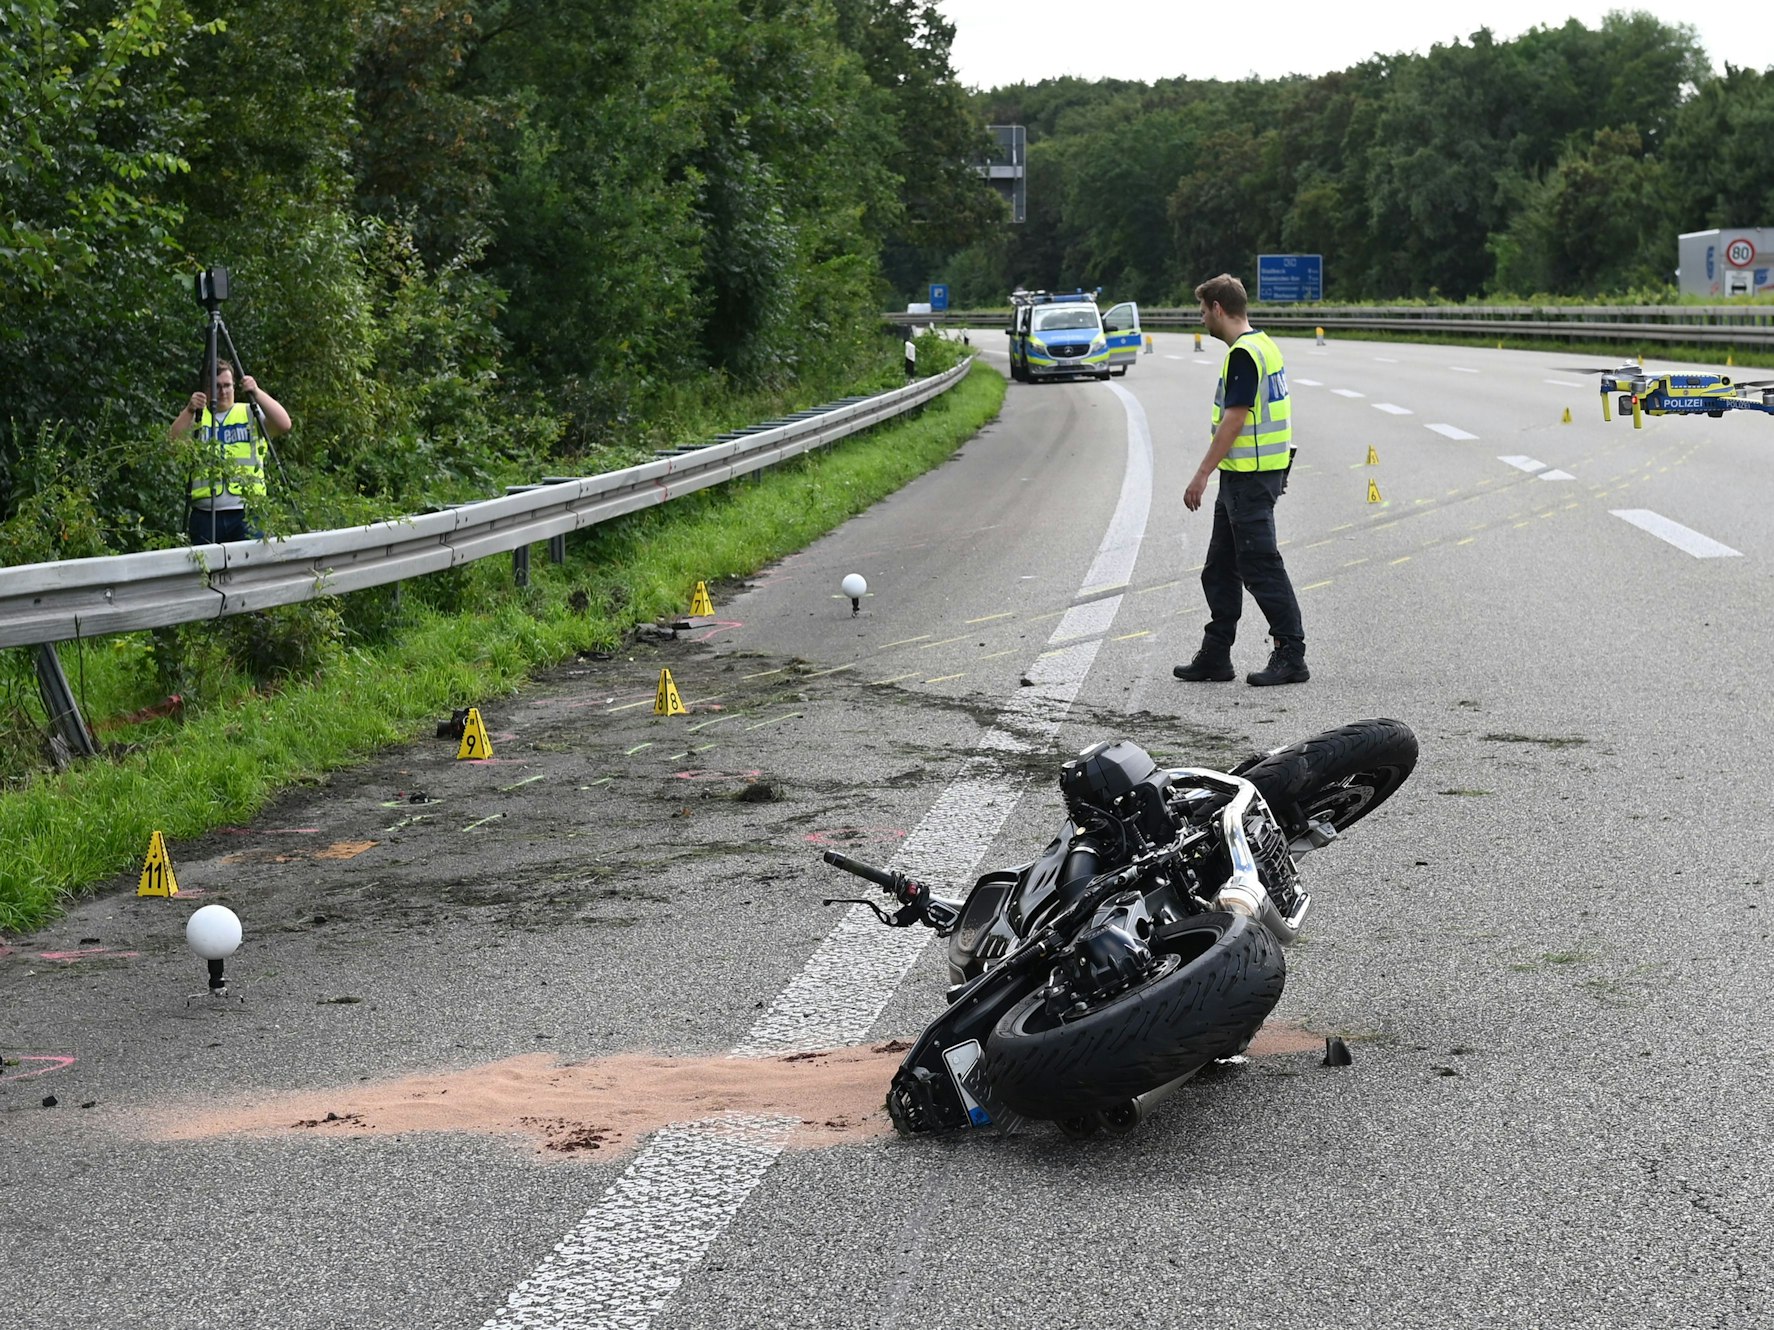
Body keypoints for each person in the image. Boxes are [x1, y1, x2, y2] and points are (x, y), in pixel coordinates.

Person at [1172, 273, 1307, 687]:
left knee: (1260, 566)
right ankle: (1216, 654)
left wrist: (1201, 474)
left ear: (1218, 308)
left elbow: (1234, 419)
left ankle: (1291, 654)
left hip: (1251, 478)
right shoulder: (1263, 345)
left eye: (1202, 310)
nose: (1201, 319)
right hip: (1245, 476)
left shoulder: (1245, 354)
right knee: (1220, 568)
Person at [168, 361, 291, 544]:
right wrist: (189, 409)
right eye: (216, 386)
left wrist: (256, 392)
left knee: (252, 562)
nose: (223, 391)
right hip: (205, 514)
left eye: (227, 385)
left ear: (234, 386)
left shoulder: (250, 412)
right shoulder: (196, 417)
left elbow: (284, 424)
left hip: (248, 511)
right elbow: (171, 446)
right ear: (206, 388)